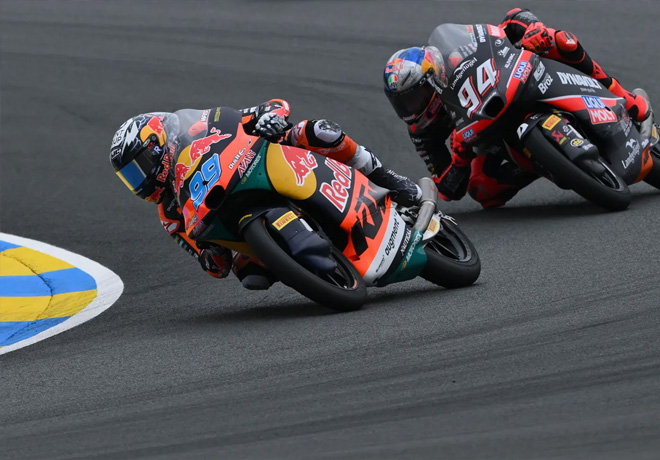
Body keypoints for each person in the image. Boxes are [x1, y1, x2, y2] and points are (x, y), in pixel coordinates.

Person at [109, 99, 421, 289]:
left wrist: (268, 118)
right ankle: (311, 271)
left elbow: (267, 107)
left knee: (316, 132)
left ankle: (388, 179)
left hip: (266, 163)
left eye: (139, 167)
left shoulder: (200, 126)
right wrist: (210, 254)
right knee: (250, 275)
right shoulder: (169, 214)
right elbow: (214, 266)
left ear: (157, 145)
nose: (139, 181)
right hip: (236, 219)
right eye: (130, 177)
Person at [383, 8, 651, 208]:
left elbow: (510, 20)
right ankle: (545, 162)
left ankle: (622, 95)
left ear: (434, 78)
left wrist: (533, 28)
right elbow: (448, 188)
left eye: (415, 96)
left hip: (515, 84)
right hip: (491, 138)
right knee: (483, 190)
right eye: (402, 103)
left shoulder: (453, 58)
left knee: (558, 39)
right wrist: (460, 158)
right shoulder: (421, 131)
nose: (410, 108)